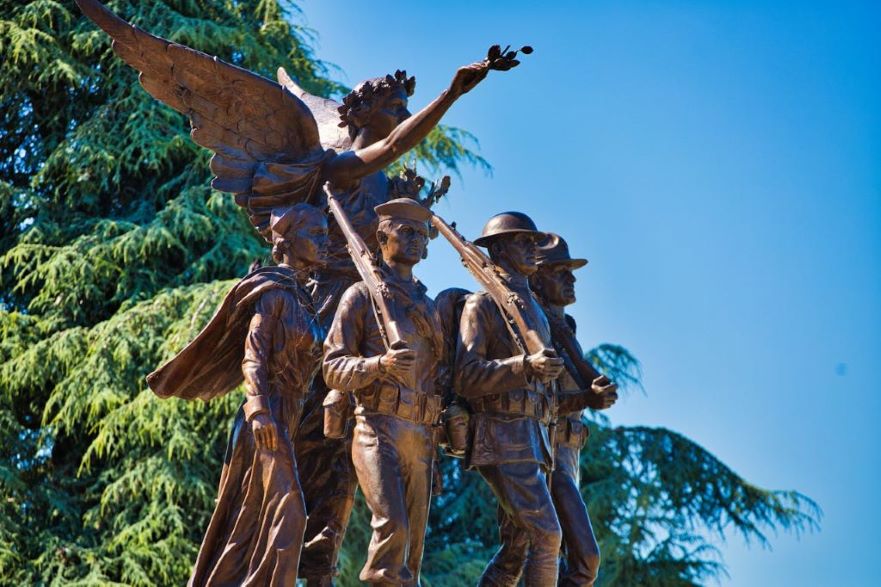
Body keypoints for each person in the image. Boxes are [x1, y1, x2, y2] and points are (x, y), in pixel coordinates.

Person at [146, 204, 329, 586]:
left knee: (249, 521)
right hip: (265, 418)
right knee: (290, 515)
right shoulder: (274, 293)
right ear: (288, 242)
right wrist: (259, 410)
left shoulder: (307, 301)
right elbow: (254, 356)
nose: (325, 242)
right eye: (316, 235)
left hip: (290, 417)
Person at [323, 198, 444, 586]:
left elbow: (440, 376)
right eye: (405, 232)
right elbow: (332, 366)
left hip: (422, 435)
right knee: (392, 528)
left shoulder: (429, 306)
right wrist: (379, 365)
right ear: (381, 236)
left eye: (421, 236)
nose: (415, 242)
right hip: (376, 426)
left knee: (413, 552)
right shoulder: (361, 296)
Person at [454, 211, 565, 586]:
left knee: (516, 547)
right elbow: (466, 376)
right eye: (524, 242)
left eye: (535, 242)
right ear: (498, 249)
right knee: (547, 535)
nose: (534, 250)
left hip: (534, 437)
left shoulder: (534, 308)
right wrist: (524, 366)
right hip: (502, 434)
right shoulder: (482, 305)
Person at [530, 234, 618, 587]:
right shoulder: (534, 330)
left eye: (571, 271)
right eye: (560, 271)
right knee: (585, 559)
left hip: (568, 455)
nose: (572, 279)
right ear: (536, 278)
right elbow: (535, 402)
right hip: (545, 451)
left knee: (545, 556)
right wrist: (586, 399)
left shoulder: (565, 329)